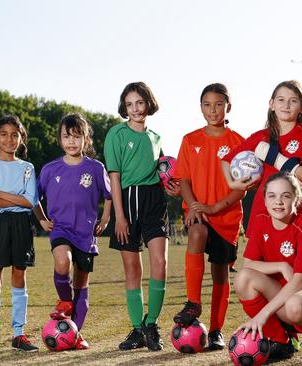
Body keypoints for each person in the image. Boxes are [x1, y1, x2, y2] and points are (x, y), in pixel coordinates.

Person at [104, 82, 178, 351]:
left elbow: (162, 174)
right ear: (124, 107)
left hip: (154, 201)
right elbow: (114, 176)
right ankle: (137, 329)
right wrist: (119, 216)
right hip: (127, 200)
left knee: (161, 262)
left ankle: (152, 324)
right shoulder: (116, 134)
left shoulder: (156, 137)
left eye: (139, 102)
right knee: (133, 269)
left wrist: (171, 186)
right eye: (129, 104)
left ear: (148, 103)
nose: (135, 108)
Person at [172, 83, 245, 350]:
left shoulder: (239, 143)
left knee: (220, 274)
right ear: (200, 107)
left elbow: (241, 189)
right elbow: (184, 181)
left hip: (226, 218)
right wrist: (193, 207)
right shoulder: (190, 140)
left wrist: (215, 208)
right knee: (197, 232)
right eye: (206, 104)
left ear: (228, 106)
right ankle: (193, 302)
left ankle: (215, 330)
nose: (212, 110)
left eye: (218, 104)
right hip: (198, 212)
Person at [33, 113, 112, 350]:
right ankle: (64, 301)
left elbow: (108, 196)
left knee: (82, 284)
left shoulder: (96, 168)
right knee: (62, 259)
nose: (71, 141)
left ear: (86, 140)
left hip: (86, 235)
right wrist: (42, 219)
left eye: (77, 137)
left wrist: (106, 218)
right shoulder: (49, 169)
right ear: (59, 139)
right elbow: (34, 198)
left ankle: (74, 334)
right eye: (67, 136)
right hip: (61, 230)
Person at [235, 172, 302, 361]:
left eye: (285, 196)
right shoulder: (261, 221)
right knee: (243, 278)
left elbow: (300, 281)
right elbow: (249, 265)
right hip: (285, 298)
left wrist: (262, 315)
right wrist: (280, 266)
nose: (278, 202)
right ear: (264, 200)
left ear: (296, 199)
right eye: (272, 196)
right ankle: (281, 341)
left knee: (295, 305)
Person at [221, 80, 302, 239]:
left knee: (291, 262)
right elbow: (226, 160)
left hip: (294, 210)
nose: (286, 105)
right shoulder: (261, 137)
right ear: (271, 104)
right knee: (253, 263)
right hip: (263, 210)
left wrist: (272, 156)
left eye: (293, 101)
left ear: (301, 107)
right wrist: (233, 183)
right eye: (281, 100)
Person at [0, 114, 39, 354]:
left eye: (15, 134)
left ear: (21, 138)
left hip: (22, 224)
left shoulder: (27, 168)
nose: (9, 139)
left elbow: (30, 201)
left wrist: (0, 193)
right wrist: (14, 198)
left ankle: (19, 334)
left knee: (19, 275)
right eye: (4, 134)